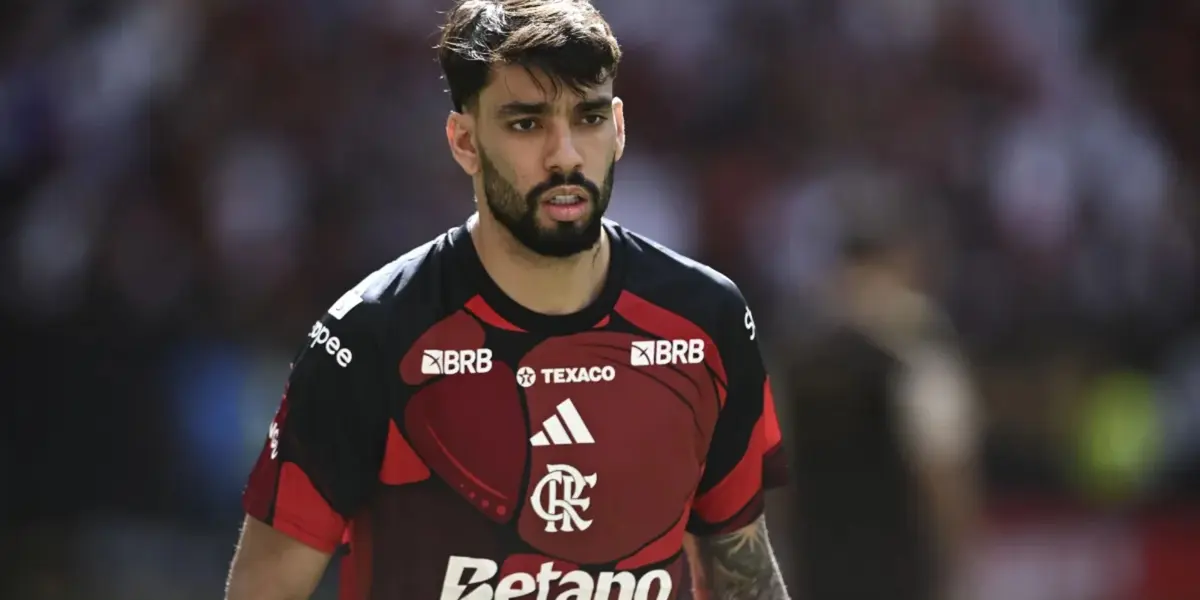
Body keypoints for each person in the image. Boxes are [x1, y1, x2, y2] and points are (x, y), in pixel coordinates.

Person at [224, 1, 789, 598]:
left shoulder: (707, 319)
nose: (565, 154)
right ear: (464, 141)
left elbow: (740, 569)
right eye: (527, 123)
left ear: (619, 128)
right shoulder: (371, 336)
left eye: (589, 118)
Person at [780, 205, 980, 600]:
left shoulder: (797, 349)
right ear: (899, 261)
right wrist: (954, 572)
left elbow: (770, 479)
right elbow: (944, 477)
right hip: (900, 574)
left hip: (817, 574)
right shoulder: (915, 350)